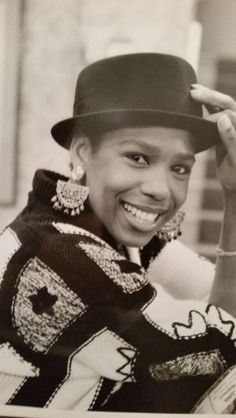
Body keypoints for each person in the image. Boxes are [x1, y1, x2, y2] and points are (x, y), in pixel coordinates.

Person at [0, 53, 236, 413]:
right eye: (138, 158)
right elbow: (220, 354)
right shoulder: (61, 253)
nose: (161, 189)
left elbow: (217, 300)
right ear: (82, 152)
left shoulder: (99, 227)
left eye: (179, 168)